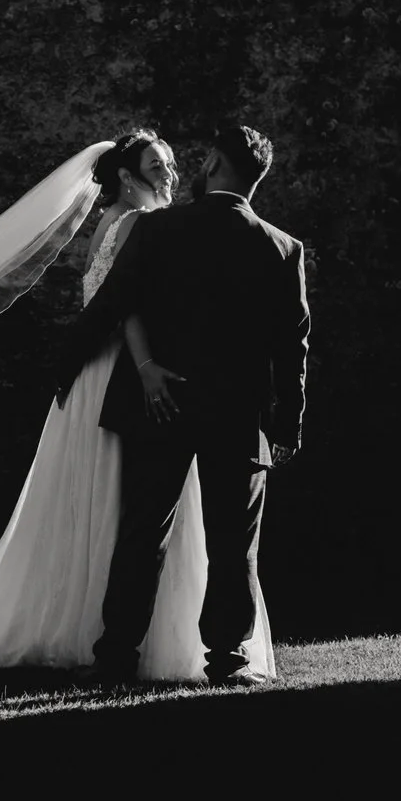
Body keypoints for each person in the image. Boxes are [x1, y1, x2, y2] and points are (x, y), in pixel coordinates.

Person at [0, 131, 276, 680]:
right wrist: (147, 367)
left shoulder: (141, 224)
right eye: (157, 164)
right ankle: (127, 638)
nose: (171, 172)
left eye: (170, 163)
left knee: (129, 511)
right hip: (126, 372)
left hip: (117, 371)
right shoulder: (137, 225)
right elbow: (126, 306)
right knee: (132, 509)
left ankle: (109, 636)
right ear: (127, 176)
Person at [56, 124, 308, 686]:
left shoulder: (160, 228)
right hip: (237, 415)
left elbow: (112, 301)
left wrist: (67, 364)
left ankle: (116, 656)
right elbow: (293, 345)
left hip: (162, 403)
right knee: (233, 542)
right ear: (257, 178)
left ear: (216, 164)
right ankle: (228, 660)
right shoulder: (282, 247)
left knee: (143, 533)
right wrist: (288, 422)